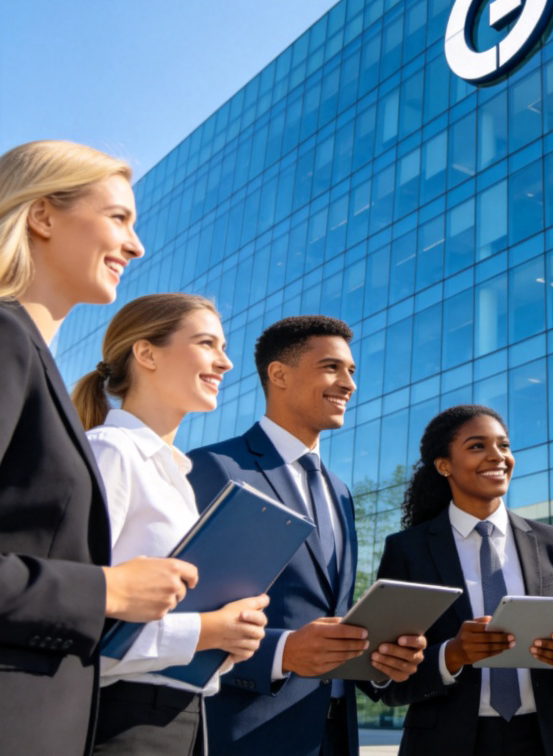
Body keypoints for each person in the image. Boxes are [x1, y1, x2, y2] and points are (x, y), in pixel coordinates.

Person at [0, 140, 198, 756]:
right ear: (43, 215)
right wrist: (108, 591)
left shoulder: (33, 357)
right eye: (118, 218)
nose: (136, 246)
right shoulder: (6, 340)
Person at [187, 314, 426, 756]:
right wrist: (283, 652)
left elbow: (329, 611)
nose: (349, 384)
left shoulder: (341, 492)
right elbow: (183, 620)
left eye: (352, 371)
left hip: (335, 734)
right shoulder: (214, 469)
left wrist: (378, 659)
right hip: (245, 733)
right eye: (332, 367)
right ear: (279, 374)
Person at [73, 293, 270, 755]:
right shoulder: (110, 452)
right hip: (121, 722)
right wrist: (207, 630)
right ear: (146, 353)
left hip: (184, 718)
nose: (225, 362)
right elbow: (75, 615)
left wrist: (229, 637)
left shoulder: (176, 476)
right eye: (207, 344)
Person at [372, 403, 553, 756]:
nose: (498, 457)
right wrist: (452, 655)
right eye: (477, 446)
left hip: (543, 741)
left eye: (504, 446)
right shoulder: (408, 551)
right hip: (443, 743)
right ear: (444, 465)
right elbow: (384, 679)